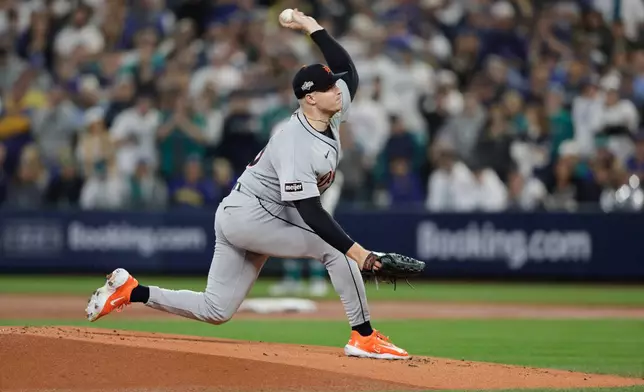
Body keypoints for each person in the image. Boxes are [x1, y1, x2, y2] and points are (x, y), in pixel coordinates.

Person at [85, 9, 409, 360]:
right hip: (251, 216)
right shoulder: (295, 142)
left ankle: (131, 291)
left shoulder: (331, 109)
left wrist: (309, 27)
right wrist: (361, 255)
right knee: (336, 249)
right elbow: (311, 212)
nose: (339, 90)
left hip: (248, 212)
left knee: (216, 309)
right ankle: (363, 336)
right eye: (329, 87)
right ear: (310, 98)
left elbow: (349, 71)